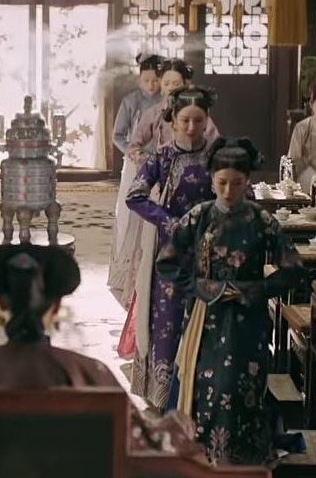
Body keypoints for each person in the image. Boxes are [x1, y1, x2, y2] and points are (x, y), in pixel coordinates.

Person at [0, 244, 203, 457]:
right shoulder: (91, 374)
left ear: (0, 305)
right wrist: (180, 426)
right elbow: (142, 450)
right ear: (56, 308)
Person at [157, 137, 305, 464]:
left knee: (244, 385)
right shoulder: (198, 217)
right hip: (204, 318)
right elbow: (166, 262)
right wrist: (200, 287)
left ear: (247, 182)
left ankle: (245, 455)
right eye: (221, 183)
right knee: (204, 383)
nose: (227, 191)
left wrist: (255, 289)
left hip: (247, 319)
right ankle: (203, 454)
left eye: (236, 184)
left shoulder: (261, 220)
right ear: (211, 180)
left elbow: (293, 269)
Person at [120, 85, 218, 412]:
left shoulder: (218, 157)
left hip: (209, 250)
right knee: (168, 318)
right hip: (171, 251)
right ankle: (163, 395)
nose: (192, 128)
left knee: (207, 318)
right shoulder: (162, 156)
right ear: (173, 121)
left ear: (207, 122)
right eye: (185, 120)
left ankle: (200, 393)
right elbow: (135, 196)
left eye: (198, 121)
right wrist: (168, 221)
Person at [108, 53, 163, 296]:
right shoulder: (130, 101)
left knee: (155, 213)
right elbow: (118, 135)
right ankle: (123, 272)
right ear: (140, 79)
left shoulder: (167, 102)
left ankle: (149, 268)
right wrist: (134, 153)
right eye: (147, 80)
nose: (151, 85)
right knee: (128, 213)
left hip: (161, 162)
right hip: (134, 162)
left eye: (155, 81)